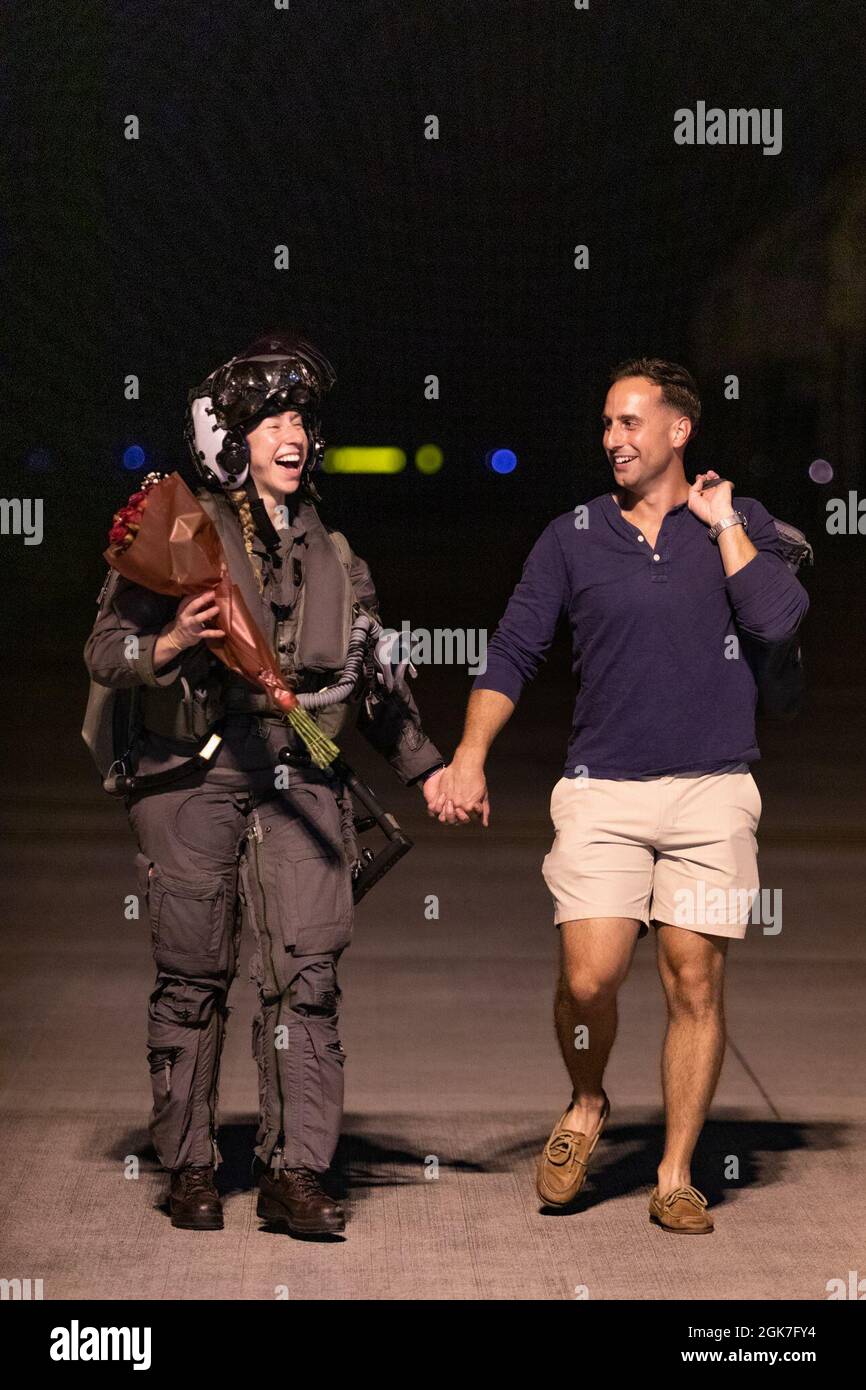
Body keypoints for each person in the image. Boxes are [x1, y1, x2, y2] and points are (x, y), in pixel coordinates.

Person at [429, 357, 809, 1234]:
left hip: (714, 794)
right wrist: (470, 755)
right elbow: (514, 647)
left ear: (680, 430)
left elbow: (777, 620)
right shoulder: (572, 535)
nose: (614, 439)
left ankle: (675, 1174)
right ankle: (588, 1102)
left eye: (632, 422)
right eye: (607, 424)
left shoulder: (737, 521)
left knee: (695, 982)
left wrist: (722, 526)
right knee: (590, 975)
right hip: (602, 795)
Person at [84, 332, 445, 1236]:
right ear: (233, 438)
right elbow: (104, 652)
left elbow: (376, 685)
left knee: (306, 979)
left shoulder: (337, 553)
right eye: (272, 419)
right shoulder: (178, 532)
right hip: (195, 779)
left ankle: (295, 1176)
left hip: (300, 777)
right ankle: (191, 1169)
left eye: (300, 420)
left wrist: (431, 771)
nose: (292, 434)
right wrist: (168, 644)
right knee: (192, 976)